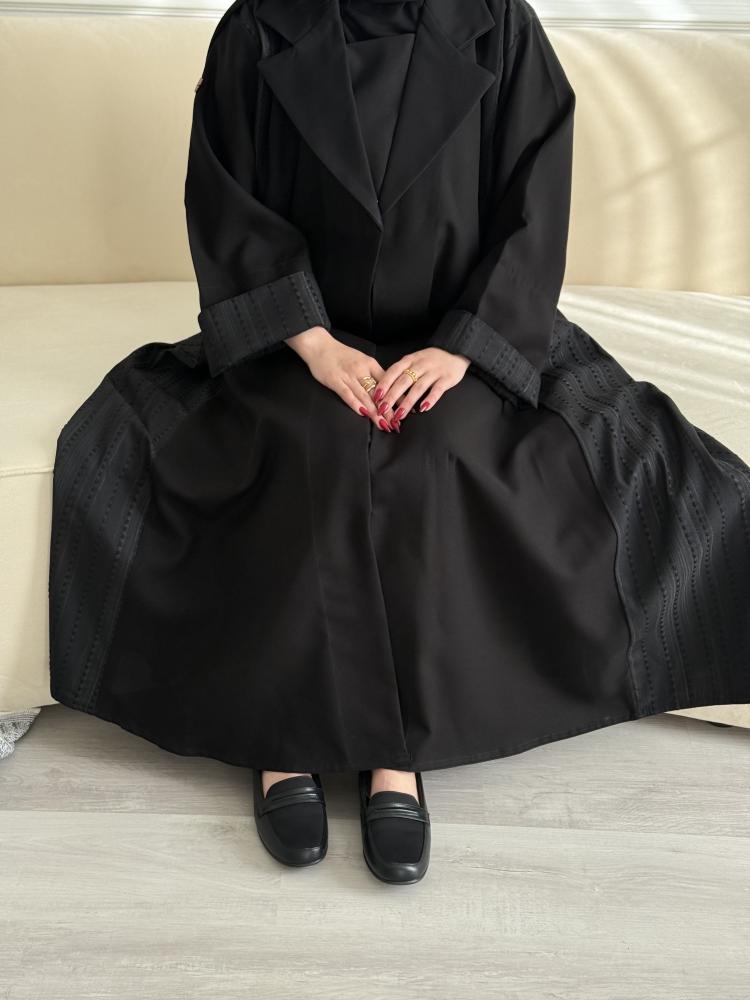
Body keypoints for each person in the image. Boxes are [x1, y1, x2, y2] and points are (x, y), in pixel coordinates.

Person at [48, 0, 750, 887]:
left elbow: (534, 205)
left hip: (456, 339)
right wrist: (313, 344)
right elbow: (226, 201)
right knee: (308, 447)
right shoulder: (257, 26)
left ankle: (394, 754)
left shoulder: (500, 23)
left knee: (435, 449)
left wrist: (465, 348)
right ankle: (280, 742)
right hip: (297, 339)